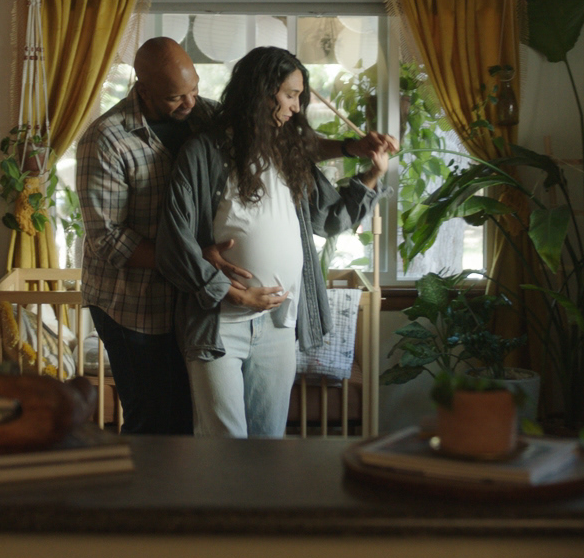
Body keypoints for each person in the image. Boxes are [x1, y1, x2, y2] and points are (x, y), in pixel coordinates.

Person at [157, 46, 396, 438]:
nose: (297, 107)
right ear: (261, 93)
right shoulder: (203, 152)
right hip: (219, 324)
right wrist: (233, 293)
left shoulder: (288, 155)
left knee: (268, 445)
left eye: (299, 96)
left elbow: (329, 220)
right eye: (290, 95)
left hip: (279, 324)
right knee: (224, 444)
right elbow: (174, 244)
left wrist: (372, 174)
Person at [74, 37, 209, 434]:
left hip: (186, 299)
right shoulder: (105, 139)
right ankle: (138, 478)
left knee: (185, 418)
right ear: (143, 89)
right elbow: (108, 238)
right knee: (151, 421)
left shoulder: (203, 115)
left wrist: (346, 147)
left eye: (194, 89)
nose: (190, 102)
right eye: (175, 97)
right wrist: (194, 261)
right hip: (131, 305)